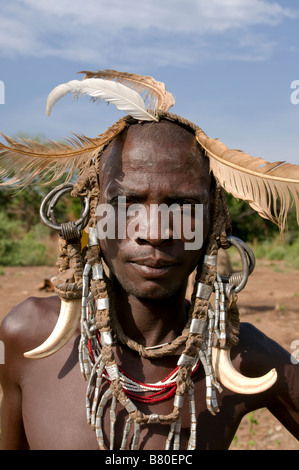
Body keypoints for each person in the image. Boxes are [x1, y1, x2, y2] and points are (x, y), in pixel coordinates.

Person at [0, 71, 298, 451]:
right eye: (126, 202)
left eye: (184, 205)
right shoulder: (26, 335)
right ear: (94, 213)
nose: (155, 232)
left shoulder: (244, 355)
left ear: (215, 222)